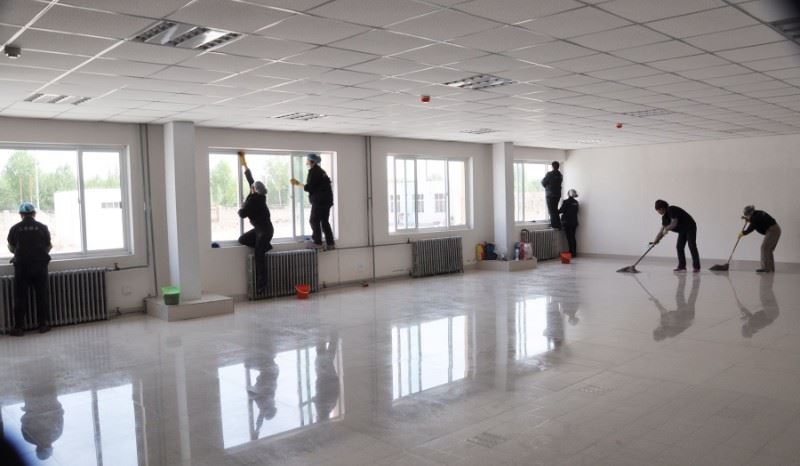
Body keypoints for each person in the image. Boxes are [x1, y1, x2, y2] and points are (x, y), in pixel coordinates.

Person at [7, 202, 52, 337]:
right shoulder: (42, 227)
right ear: (34, 214)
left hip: (22, 267)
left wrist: (20, 253)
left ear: (21, 214)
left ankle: (19, 328)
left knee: (20, 297)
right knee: (41, 295)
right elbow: (48, 246)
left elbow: (11, 247)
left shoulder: (15, 228)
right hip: (40, 266)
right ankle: (42, 325)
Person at [236, 151, 274, 293]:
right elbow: (249, 177)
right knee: (242, 239)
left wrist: (241, 206)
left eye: (252, 187)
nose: (251, 186)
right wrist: (243, 161)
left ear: (254, 190)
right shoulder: (258, 194)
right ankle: (265, 246)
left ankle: (262, 285)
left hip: (264, 232)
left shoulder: (254, 201)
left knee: (259, 257)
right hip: (261, 230)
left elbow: (242, 214)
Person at [291, 153, 335, 250]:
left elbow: (310, 187)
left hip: (320, 201)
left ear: (312, 162)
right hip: (326, 201)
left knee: (314, 220)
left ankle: (318, 242)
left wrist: (297, 183)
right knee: (324, 222)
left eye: (307, 160)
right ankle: (330, 243)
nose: (306, 162)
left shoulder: (314, 172)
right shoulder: (321, 171)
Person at [653, 199, 700, 272]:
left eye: (658, 210)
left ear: (661, 208)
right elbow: (661, 231)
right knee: (679, 247)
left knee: (691, 245)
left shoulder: (671, 209)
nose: (658, 212)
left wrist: (667, 229)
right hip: (682, 230)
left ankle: (696, 267)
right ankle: (682, 266)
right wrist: (656, 240)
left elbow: (674, 223)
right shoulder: (664, 217)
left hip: (690, 227)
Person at [740, 205, 781, 273]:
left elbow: (751, 227)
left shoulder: (755, 217)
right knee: (767, 249)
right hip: (774, 229)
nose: (747, 216)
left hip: (772, 230)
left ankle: (766, 268)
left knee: (765, 248)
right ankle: (770, 269)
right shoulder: (757, 213)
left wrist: (743, 233)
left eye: (747, 215)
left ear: (750, 213)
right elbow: (756, 222)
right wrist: (749, 220)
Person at [541, 161, 563, 229]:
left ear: (552, 166)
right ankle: (558, 224)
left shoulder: (549, 174)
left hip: (550, 195)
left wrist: (547, 187)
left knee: (551, 210)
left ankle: (554, 225)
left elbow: (543, 182)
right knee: (555, 209)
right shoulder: (560, 175)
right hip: (557, 195)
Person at [559, 189, 579, 258]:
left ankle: (571, 252)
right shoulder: (576, 202)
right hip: (574, 222)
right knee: (573, 237)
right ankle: (574, 253)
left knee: (569, 238)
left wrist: (554, 211)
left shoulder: (566, 201)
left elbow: (561, 210)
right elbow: (576, 211)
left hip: (567, 222)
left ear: (568, 194)